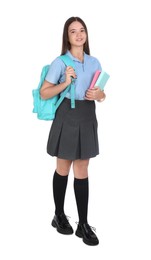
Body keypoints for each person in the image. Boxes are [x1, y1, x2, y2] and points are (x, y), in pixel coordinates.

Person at [40, 16, 106, 246]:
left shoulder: (94, 62)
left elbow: (101, 94)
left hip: (87, 115)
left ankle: (83, 224)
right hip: (67, 115)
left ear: (86, 34)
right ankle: (58, 215)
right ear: (66, 36)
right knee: (63, 166)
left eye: (82, 30)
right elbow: (44, 93)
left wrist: (99, 96)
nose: (79, 35)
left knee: (83, 167)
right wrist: (65, 82)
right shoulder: (60, 62)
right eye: (73, 31)